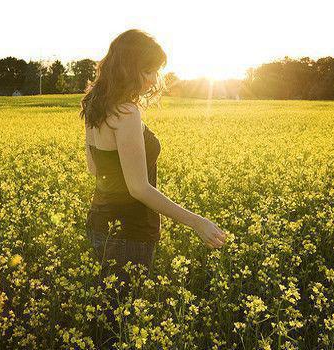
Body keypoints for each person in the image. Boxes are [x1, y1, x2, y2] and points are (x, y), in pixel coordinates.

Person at [79, 28, 228, 348]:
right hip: (129, 232)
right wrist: (197, 221)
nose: (153, 78)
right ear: (129, 67)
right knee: (116, 326)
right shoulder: (127, 112)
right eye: (148, 70)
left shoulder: (95, 104)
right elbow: (139, 189)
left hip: (99, 224)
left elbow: (95, 168)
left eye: (156, 70)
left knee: (105, 317)